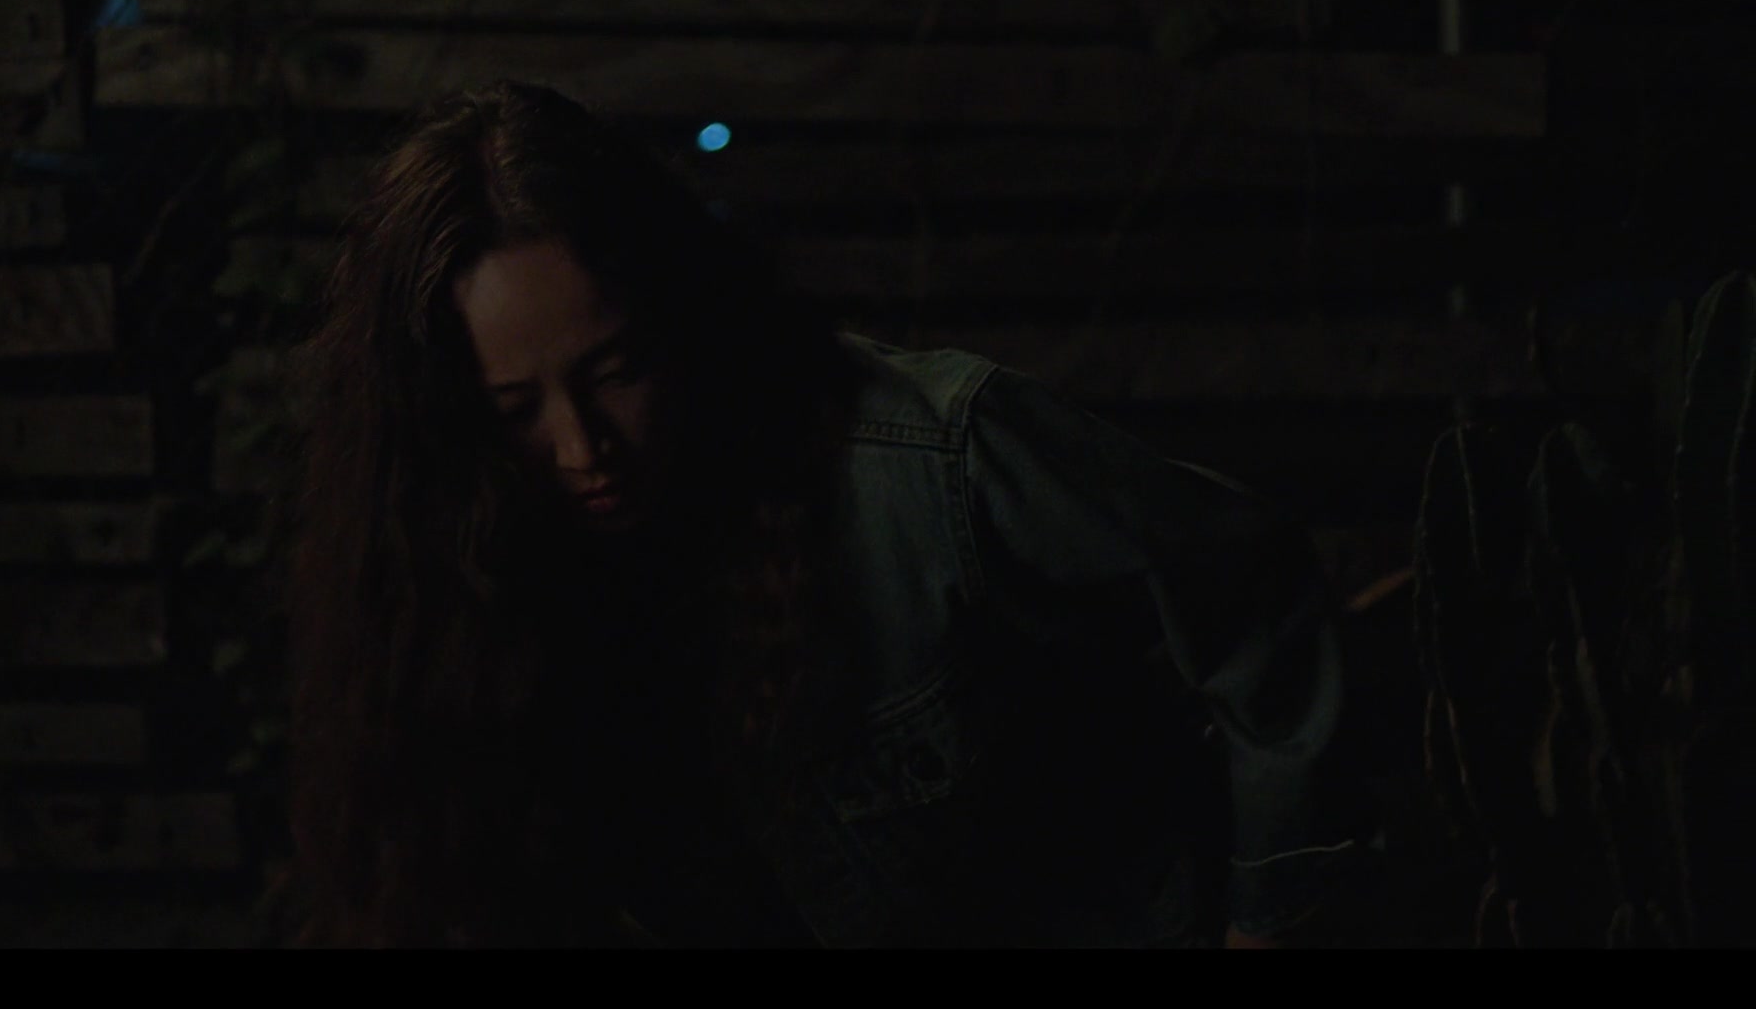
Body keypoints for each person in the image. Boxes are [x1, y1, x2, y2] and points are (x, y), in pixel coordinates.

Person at [282, 81, 1366, 949]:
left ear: (677, 314)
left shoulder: (929, 461)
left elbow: (1255, 588)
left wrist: (1268, 921)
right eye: (514, 409)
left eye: (614, 372)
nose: (580, 450)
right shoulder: (470, 573)